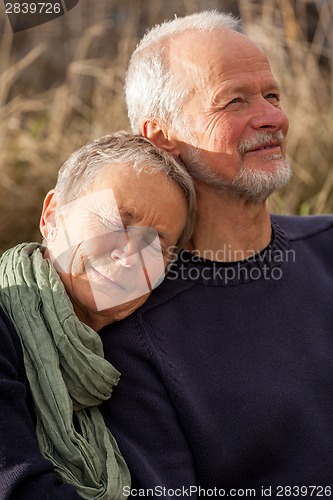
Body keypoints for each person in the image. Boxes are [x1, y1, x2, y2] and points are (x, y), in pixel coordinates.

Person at [100, 11, 333, 499]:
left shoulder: (326, 245)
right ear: (161, 136)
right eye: (234, 101)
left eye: (272, 95)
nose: (273, 117)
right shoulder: (131, 331)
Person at [0, 131, 196, 499]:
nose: (129, 255)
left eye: (157, 244)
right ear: (52, 216)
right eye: (118, 221)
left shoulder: (140, 360)